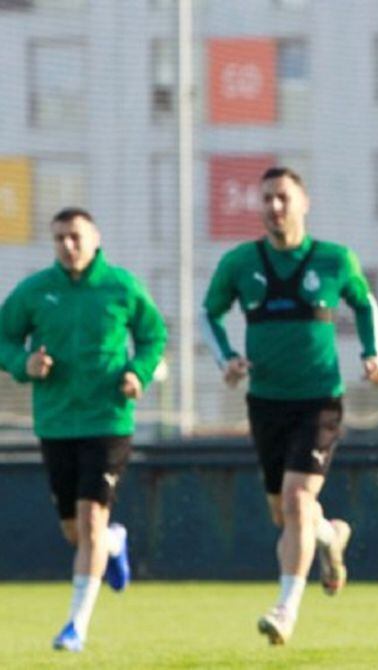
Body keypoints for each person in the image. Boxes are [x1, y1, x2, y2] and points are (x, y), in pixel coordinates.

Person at [201, 166, 378, 646]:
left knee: (297, 500)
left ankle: (285, 610)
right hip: (266, 402)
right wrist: (227, 358)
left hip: (320, 400)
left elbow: (365, 304)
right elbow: (209, 313)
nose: (275, 206)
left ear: (304, 203)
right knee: (286, 516)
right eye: (266, 198)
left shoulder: (334, 259)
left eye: (283, 197)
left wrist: (373, 354)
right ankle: (330, 535)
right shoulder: (240, 262)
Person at [0, 207, 167, 652]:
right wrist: (23, 363)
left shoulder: (122, 286)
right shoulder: (36, 291)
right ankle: (114, 543)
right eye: (59, 238)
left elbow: (153, 336)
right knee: (76, 531)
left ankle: (76, 626)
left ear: (95, 239)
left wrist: (138, 372)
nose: (68, 246)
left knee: (91, 520)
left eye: (75, 237)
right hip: (56, 421)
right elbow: (4, 338)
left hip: (108, 419)